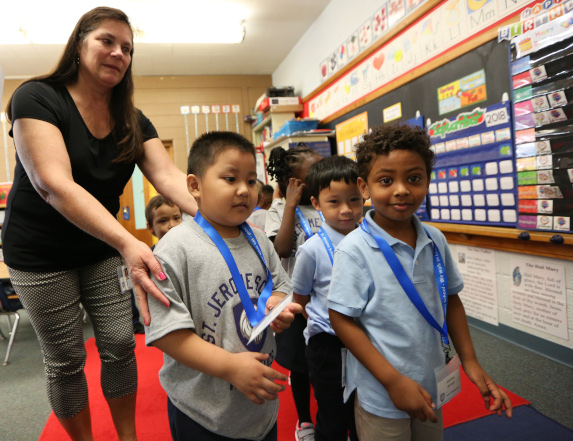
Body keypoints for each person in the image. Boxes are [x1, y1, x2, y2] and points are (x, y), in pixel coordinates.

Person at [2, 7, 197, 441]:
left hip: (98, 249)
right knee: (67, 359)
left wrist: (215, 217)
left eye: (127, 48)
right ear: (80, 44)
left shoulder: (131, 117)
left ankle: (127, 437)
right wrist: (129, 243)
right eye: (107, 41)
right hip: (39, 254)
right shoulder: (36, 96)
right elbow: (53, 185)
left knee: (120, 345)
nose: (118, 53)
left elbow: (166, 176)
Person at [328, 124, 512, 441]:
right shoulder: (354, 249)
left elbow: (451, 299)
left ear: (427, 180)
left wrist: (470, 361)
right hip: (383, 394)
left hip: (429, 384)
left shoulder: (434, 239)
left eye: (414, 178)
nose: (402, 189)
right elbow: (341, 318)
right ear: (364, 186)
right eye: (386, 181)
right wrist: (393, 381)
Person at [145, 131, 303, 441]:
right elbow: (167, 334)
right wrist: (230, 367)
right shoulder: (174, 249)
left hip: (258, 404)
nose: (244, 190)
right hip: (202, 409)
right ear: (195, 186)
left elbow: (281, 284)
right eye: (230, 179)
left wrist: (277, 306)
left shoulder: (258, 239)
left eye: (252, 180)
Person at [291, 156, 363, 441]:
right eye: (334, 202)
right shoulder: (311, 250)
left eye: (354, 200)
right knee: (333, 417)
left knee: (364, 414)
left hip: (367, 340)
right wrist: (331, 323)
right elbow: (301, 298)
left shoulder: (371, 242)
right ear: (317, 203)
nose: (346, 210)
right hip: (327, 345)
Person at [265, 145, 323, 441]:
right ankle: (304, 422)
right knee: (300, 367)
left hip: (326, 302)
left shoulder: (326, 203)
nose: (321, 174)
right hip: (295, 303)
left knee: (326, 364)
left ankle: (330, 420)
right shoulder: (277, 210)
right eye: (313, 172)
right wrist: (289, 204)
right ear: (293, 181)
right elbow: (282, 249)